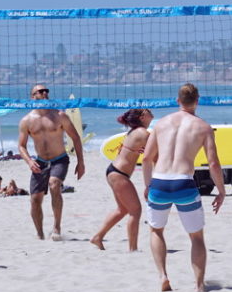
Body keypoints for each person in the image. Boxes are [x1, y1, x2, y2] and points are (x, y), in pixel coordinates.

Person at [142, 83, 226, 292]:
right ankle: (199, 285)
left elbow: (146, 159)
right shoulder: (203, 127)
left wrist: (147, 185)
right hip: (184, 182)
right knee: (196, 236)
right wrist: (221, 190)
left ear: (177, 100)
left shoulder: (161, 124)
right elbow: (213, 163)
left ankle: (163, 276)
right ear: (197, 101)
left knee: (156, 231)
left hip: (160, 182)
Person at [17, 85, 85, 240]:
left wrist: (80, 162)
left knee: (54, 184)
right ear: (33, 97)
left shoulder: (60, 115)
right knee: (35, 200)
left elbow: (75, 137)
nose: (45, 93)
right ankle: (40, 234)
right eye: (41, 91)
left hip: (59, 159)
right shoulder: (26, 121)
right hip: (40, 162)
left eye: (47, 90)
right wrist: (29, 161)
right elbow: (21, 146)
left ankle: (56, 227)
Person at [90, 108, 153, 251]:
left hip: (114, 171)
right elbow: (153, 157)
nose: (151, 112)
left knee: (122, 209)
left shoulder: (134, 132)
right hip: (119, 174)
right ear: (142, 117)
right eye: (148, 111)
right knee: (135, 210)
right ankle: (133, 249)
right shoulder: (143, 133)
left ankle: (97, 237)